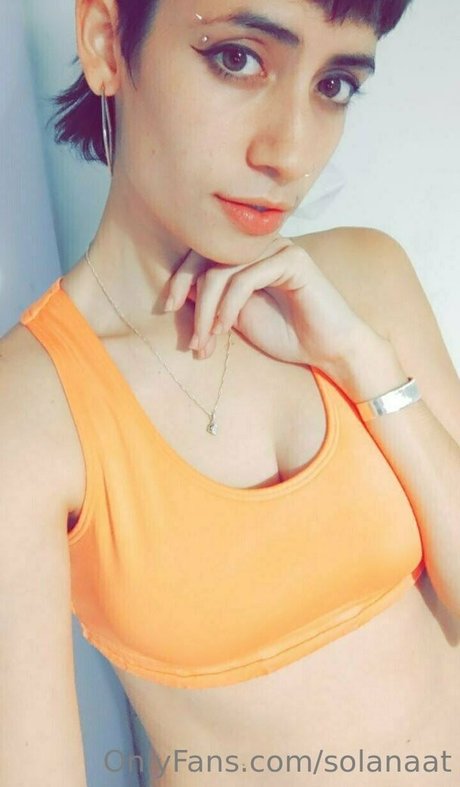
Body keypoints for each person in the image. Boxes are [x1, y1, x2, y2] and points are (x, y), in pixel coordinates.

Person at [2, 1, 460, 785]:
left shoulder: (364, 281)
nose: (290, 151)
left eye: (334, 84)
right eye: (238, 59)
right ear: (107, 42)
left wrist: (361, 359)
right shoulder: (29, 413)